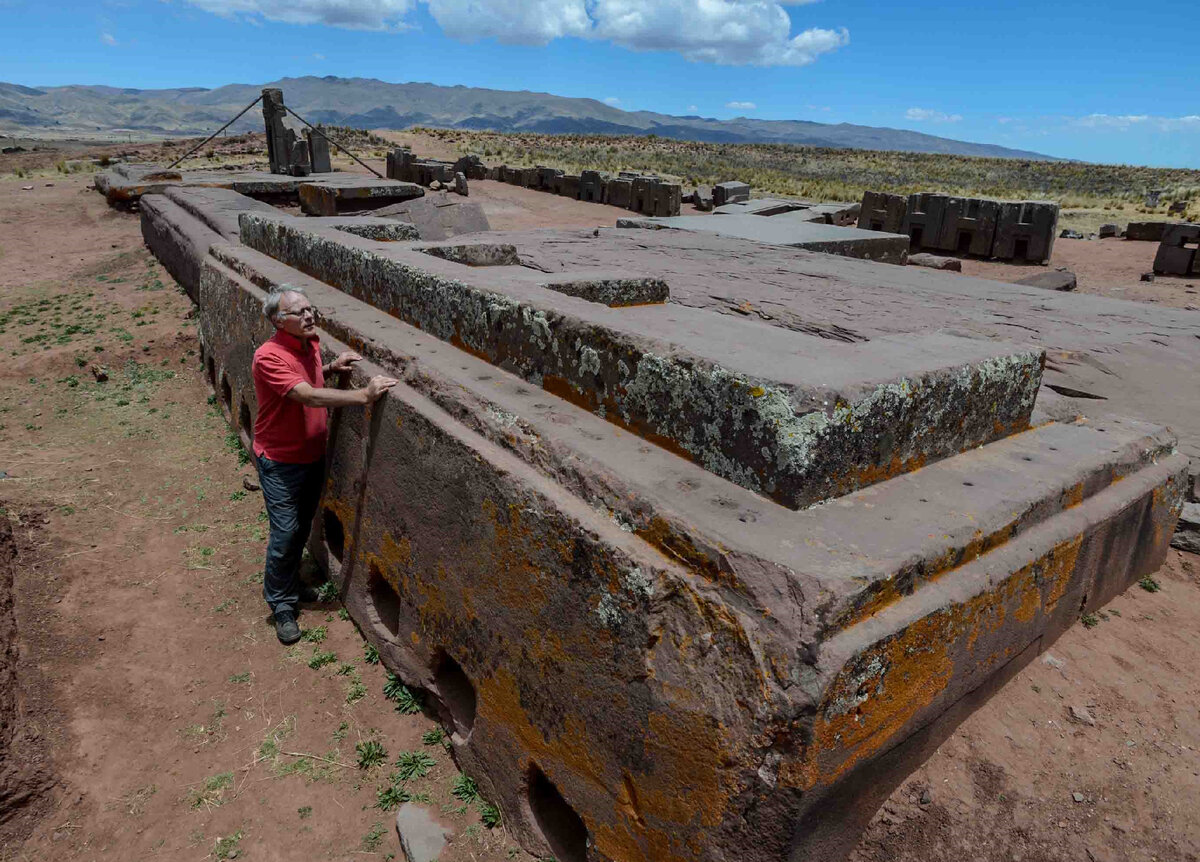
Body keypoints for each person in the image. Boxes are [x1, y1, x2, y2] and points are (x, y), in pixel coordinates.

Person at [251, 285, 397, 644]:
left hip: (311, 455)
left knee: (300, 527)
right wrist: (363, 396)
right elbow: (306, 395)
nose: (309, 316)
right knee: (285, 534)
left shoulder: (310, 342)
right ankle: (282, 604)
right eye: (298, 313)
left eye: (309, 309)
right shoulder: (268, 356)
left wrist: (331, 367)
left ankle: (291, 584)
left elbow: (311, 378)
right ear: (277, 321)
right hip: (281, 460)